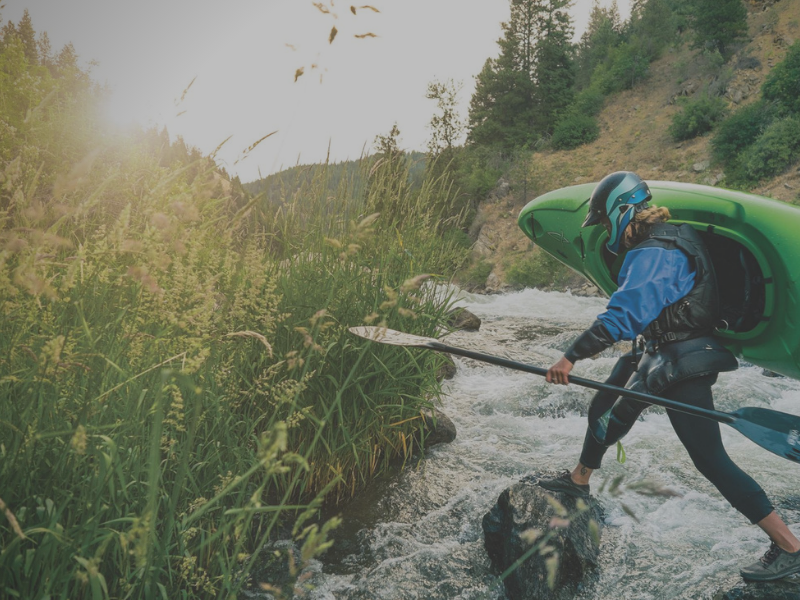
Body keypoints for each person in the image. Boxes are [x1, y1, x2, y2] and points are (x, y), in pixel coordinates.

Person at [537, 171, 800, 582]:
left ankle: (789, 545)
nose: (608, 231)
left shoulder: (654, 252)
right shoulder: (669, 236)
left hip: (684, 361)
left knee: (709, 458)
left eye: (607, 223)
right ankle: (579, 478)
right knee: (607, 410)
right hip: (660, 350)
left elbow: (623, 315)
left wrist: (570, 359)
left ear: (622, 212)